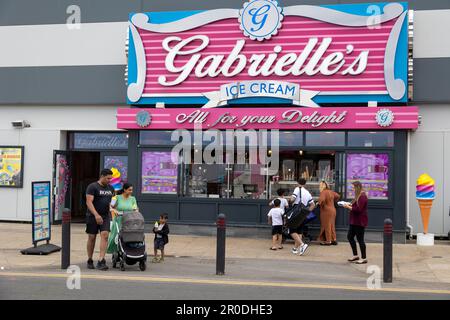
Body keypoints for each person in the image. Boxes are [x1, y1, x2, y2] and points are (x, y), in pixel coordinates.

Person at [85, 169, 115, 271]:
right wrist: (96, 215)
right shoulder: (92, 187)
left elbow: (112, 203)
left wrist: (113, 210)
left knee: (105, 235)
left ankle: (101, 260)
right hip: (93, 216)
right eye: (108, 178)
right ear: (102, 176)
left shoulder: (110, 188)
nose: (109, 180)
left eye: (111, 178)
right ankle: (90, 259)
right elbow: (89, 202)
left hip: (105, 216)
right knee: (92, 237)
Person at [343, 181, 368, 264]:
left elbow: (359, 210)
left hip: (359, 222)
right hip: (354, 221)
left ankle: (364, 258)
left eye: (353, 187)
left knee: (360, 239)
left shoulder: (362, 196)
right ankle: (355, 255)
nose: (352, 189)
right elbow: (355, 206)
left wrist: (348, 207)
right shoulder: (357, 196)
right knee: (350, 237)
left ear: (357, 187)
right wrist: (348, 205)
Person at [289, 178, 315, 256]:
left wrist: (290, 199)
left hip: (296, 212)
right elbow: (313, 205)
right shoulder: (307, 192)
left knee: (292, 230)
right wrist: (307, 213)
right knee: (299, 231)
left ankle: (302, 245)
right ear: (305, 184)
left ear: (298, 183)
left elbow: (292, 199)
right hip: (303, 213)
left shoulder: (297, 189)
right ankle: (296, 249)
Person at [318, 181, 340, 246]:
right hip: (333, 210)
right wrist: (333, 201)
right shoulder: (331, 191)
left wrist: (319, 203)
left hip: (326, 211)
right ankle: (334, 239)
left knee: (326, 225)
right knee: (332, 225)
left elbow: (321, 200)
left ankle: (328, 241)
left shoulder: (323, 192)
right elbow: (338, 196)